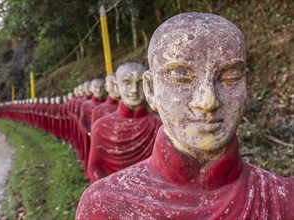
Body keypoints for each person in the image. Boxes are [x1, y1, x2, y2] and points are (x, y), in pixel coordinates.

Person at [76, 13, 293, 219]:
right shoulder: (103, 205)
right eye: (181, 77)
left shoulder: (284, 199)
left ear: (246, 85)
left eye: (230, 77)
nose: (207, 101)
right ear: (151, 90)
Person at [86, 62, 162, 184]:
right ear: (117, 86)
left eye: (139, 83)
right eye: (127, 83)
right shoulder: (101, 127)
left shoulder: (159, 124)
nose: (134, 90)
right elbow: (94, 168)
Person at [79, 78, 106, 171]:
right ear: (91, 88)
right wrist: (88, 131)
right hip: (91, 135)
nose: (99, 90)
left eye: (101, 87)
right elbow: (81, 121)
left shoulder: (108, 106)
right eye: (96, 87)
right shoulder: (86, 105)